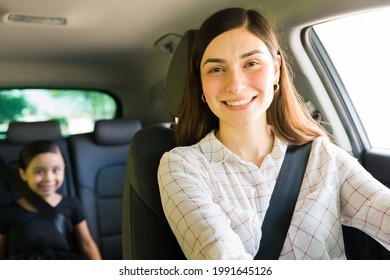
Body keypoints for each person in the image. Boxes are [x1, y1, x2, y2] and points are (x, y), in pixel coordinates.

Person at [157, 7, 390, 260]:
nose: (235, 85)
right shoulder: (182, 166)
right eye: (216, 69)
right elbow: (222, 260)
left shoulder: (321, 156)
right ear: (200, 82)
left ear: (276, 69)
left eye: (251, 63)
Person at [0, 140, 101, 260]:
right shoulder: (7, 212)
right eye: (39, 171)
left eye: (56, 170)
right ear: (23, 174)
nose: (49, 178)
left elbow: (86, 244)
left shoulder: (71, 204)